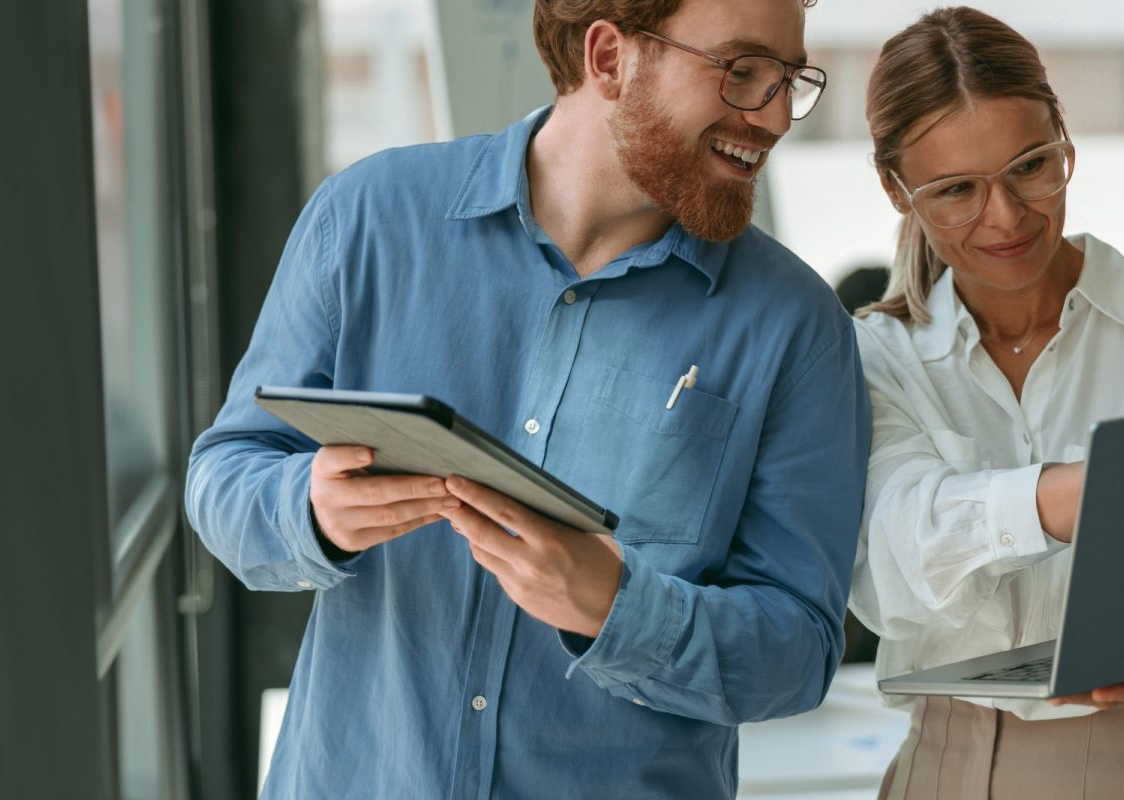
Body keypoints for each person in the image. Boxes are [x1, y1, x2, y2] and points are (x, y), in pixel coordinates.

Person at [183, 0, 869, 796]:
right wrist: (309, 509)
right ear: (610, 57)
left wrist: (619, 607)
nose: (778, 116)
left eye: (790, 79)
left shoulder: (798, 327)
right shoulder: (368, 219)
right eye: (742, 72)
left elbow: (801, 650)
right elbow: (223, 472)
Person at [846, 8, 1124, 799]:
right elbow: (884, 568)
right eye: (956, 190)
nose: (1007, 216)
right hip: (939, 768)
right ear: (897, 190)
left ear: (1065, 135)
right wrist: (1074, 494)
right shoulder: (873, 357)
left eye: (1031, 166)